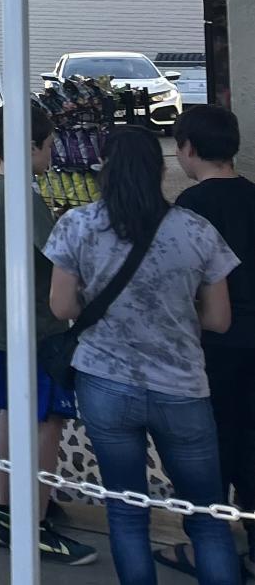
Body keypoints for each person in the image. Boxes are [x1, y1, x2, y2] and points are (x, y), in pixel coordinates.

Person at [46, 126, 240, 585]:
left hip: (104, 383)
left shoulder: (76, 225)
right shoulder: (196, 230)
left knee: (127, 511)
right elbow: (219, 320)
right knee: (208, 517)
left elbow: (61, 307)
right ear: (161, 168)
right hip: (182, 387)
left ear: (103, 170)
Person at [0, 103, 98, 565]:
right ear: (30, 145)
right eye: (48, 144)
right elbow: (60, 257)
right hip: (37, 330)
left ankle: (5, 509)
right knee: (47, 423)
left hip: (1, 326)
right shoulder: (22, 197)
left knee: (8, 414)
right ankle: (37, 520)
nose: (53, 152)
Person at [173, 105, 255, 579]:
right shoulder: (253, 196)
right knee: (250, 435)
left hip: (212, 341)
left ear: (187, 149)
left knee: (209, 444)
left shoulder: (190, 208)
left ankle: (209, 545)